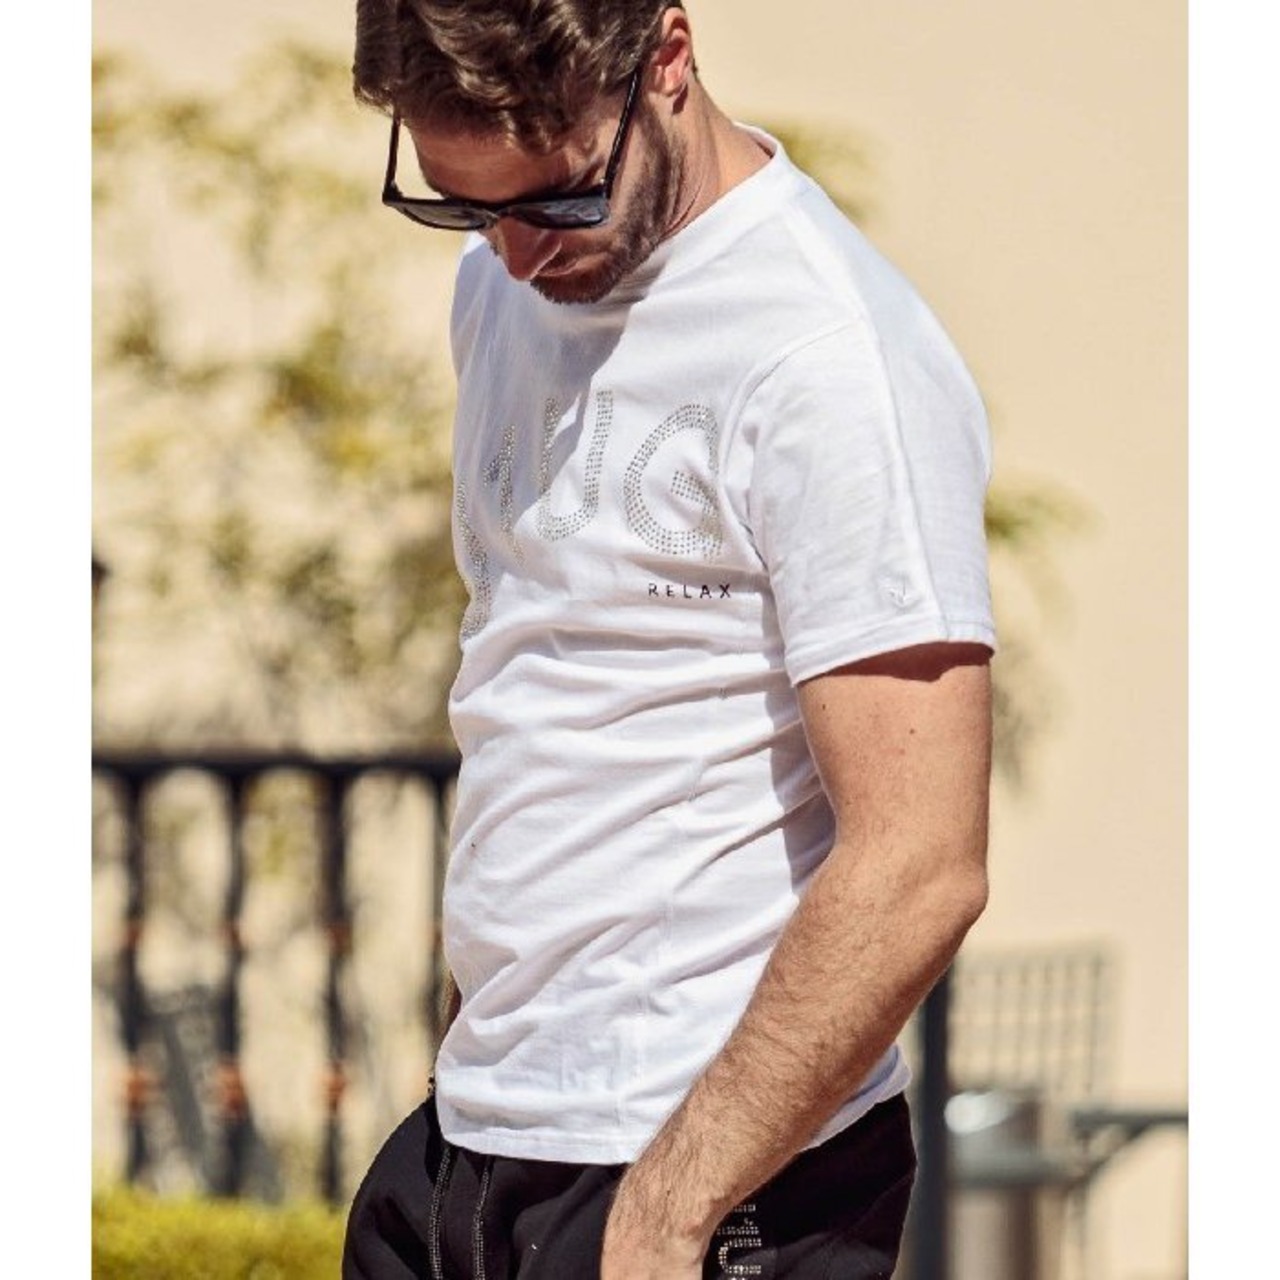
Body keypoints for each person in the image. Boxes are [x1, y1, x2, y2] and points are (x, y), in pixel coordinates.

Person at [343, 3, 995, 1277]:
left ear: (667, 58)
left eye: (558, 198)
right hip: (474, 1147)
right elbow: (537, 683)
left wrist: (664, 1214)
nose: (515, 254)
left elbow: (920, 862)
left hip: (709, 1183)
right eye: (460, 205)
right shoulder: (501, 287)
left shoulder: (828, 354)